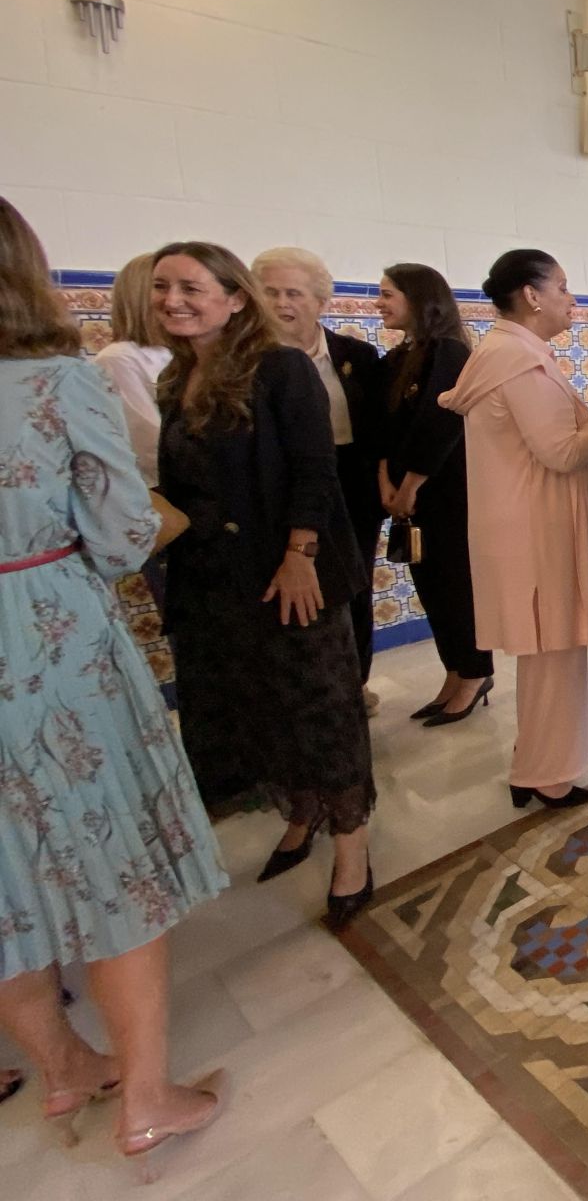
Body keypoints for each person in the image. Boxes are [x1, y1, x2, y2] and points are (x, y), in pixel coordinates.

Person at [0, 203, 229, 1180]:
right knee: (112, 860)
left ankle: (63, 1067)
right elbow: (124, 533)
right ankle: (144, 1099)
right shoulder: (56, 382)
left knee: (7, 878)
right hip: (47, 639)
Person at [152, 241, 376, 926]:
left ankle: (353, 853)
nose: (173, 300)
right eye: (162, 287)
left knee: (321, 709)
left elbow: (316, 469)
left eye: (192, 287)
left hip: (291, 571)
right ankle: (299, 813)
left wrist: (300, 553)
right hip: (215, 581)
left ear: (233, 297)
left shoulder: (279, 368)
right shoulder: (175, 376)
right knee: (260, 708)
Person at [439, 250, 588, 810]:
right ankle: (546, 775)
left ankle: (535, 762)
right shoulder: (518, 361)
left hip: (521, 523)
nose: (572, 298)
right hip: (534, 529)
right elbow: (561, 453)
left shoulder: (511, 353)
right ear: (532, 295)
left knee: (547, 652)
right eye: (562, 287)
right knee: (552, 649)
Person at [252, 247, 385, 716]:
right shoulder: (248, 362)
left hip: (351, 482)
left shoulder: (355, 355)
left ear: (319, 301)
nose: (282, 302)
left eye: (294, 293)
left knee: (354, 584)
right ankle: (301, 694)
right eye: (270, 292)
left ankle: (356, 682)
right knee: (293, 585)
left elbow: (378, 427)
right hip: (279, 490)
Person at [373, 264, 492, 725]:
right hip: (406, 495)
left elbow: (440, 426)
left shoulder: (448, 351)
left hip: (443, 493)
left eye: (388, 295)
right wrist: (385, 479)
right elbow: (381, 431)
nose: (379, 304)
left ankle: (475, 672)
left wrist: (409, 486)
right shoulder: (398, 358)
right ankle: (454, 671)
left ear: (420, 300)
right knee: (432, 589)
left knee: (456, 586)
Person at [90, 253, 170, 486]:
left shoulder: (176, 353)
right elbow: (148, 442)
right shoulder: (119, 358)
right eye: (162, 287)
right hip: (157, 489)